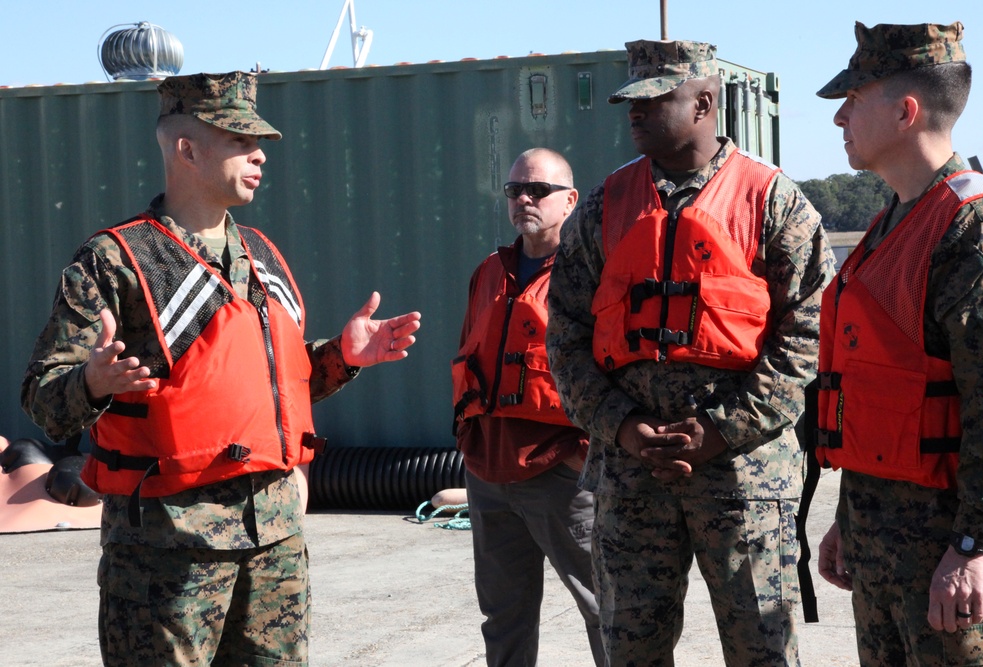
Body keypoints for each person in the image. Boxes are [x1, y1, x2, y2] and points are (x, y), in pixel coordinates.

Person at [20, 70, 421, 666]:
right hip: (168, 552)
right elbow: (43, 398)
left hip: (275, 542)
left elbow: (261, 384)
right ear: (186, 148)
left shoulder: (262, 255)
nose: (258, 153)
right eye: (238, 140)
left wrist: (342, 356)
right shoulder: (115, 261)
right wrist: (94, 381)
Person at [545, 39, 834, 665]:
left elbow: (808, 338)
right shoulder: (603, 207)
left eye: (655, 99)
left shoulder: (774, 201)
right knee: (630, 650)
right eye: (631, 100)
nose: (635, 112)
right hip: (630, 474)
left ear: (704, 102)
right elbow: (563, 335)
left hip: (743, 476)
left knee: (761, 650)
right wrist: (620, 426)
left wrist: (718, 430)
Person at [813, 21, 983, 665]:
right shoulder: (891, 224)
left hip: (949, 564)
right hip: (882, 548)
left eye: (854, 99)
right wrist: (848, 517)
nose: (840, 116)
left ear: (906, 111)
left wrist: (975, 548)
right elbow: (876, 391)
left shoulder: (974, 229)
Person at [452, 147, 603, 665]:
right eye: (515, 189)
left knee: (607, 610)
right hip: (489, 474)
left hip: (560, 473)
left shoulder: (592, 272)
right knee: (504, 616)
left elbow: (617, 370)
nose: (523, 199)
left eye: (537, 190)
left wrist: (581, 455)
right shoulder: (490, 271)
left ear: (570, 200)